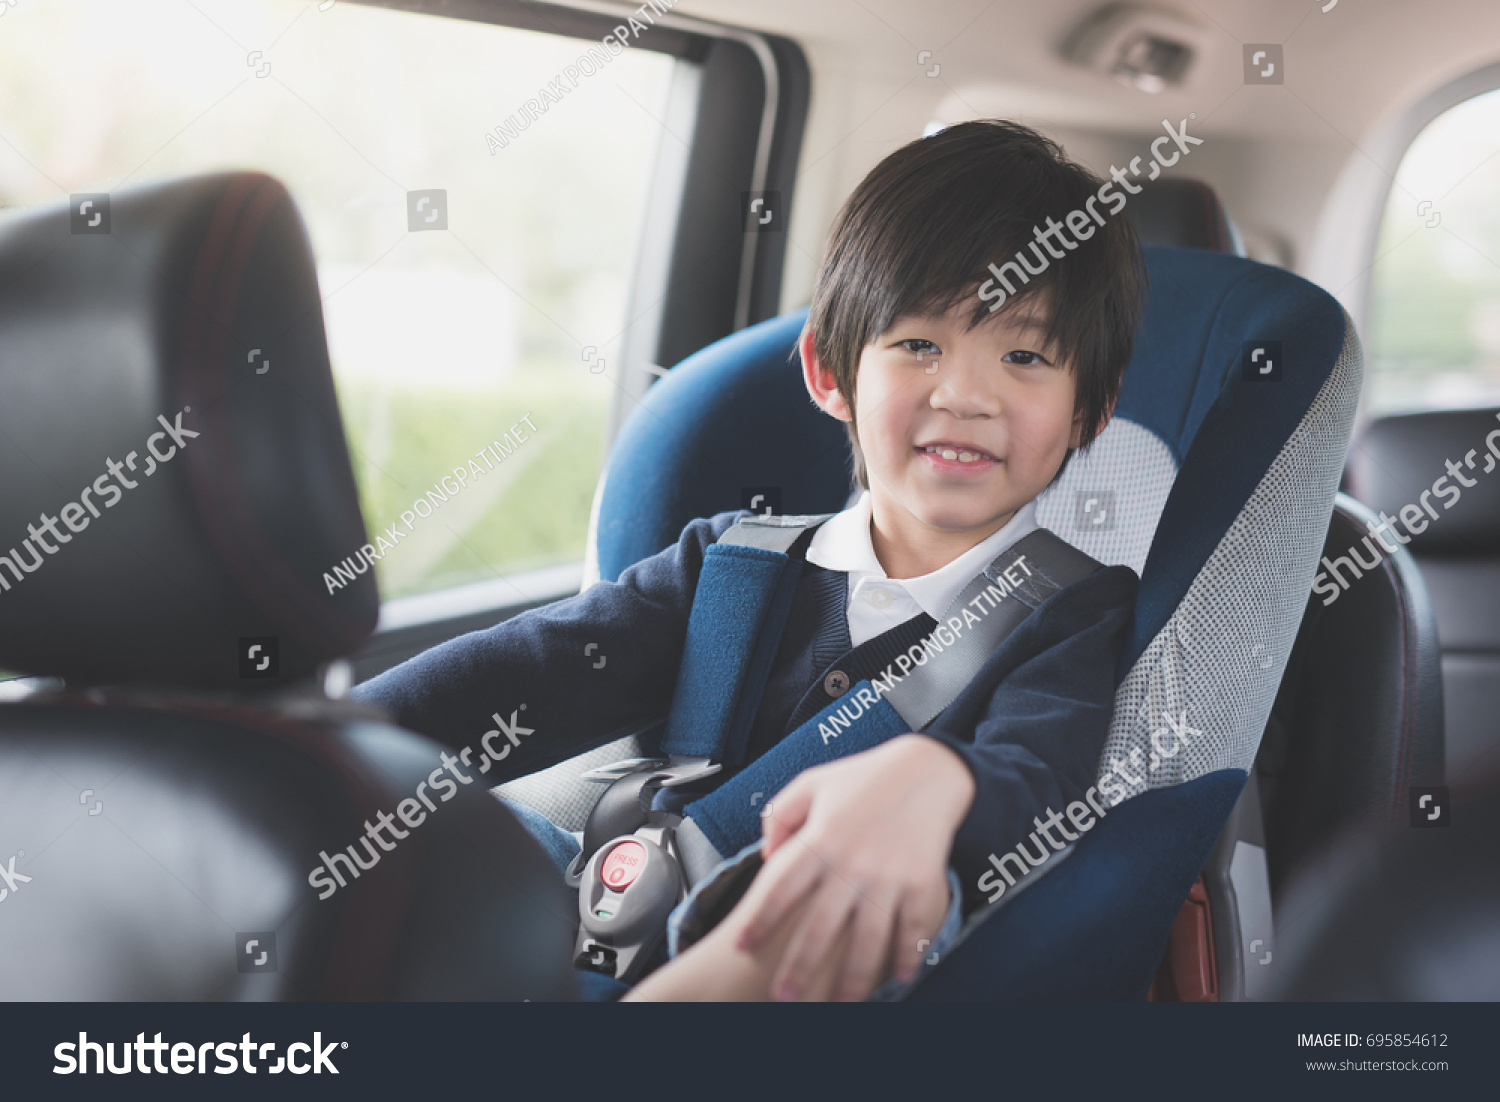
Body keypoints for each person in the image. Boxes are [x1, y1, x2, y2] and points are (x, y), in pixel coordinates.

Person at [352, 119, 1144, 1001]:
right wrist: (334, 738)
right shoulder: (734, 561)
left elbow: (1041, 773)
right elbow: (534, 669)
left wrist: (937, 779)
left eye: (1025, 355)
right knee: (398, 821)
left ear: (1090, 411)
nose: (964, 395)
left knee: (873, 903)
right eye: (920, 344)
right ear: (830, 373)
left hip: (808, 950)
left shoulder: (1072, 611)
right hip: (607, 910)